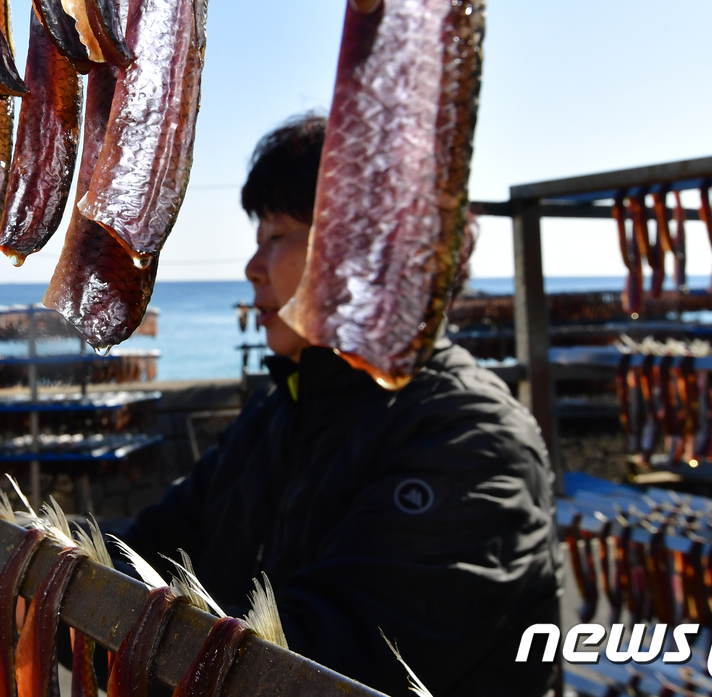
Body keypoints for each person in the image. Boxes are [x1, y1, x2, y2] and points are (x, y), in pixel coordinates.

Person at [115, 114, 561, 697]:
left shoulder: (471, 440)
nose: (252, 269)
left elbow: (319, 662)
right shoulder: (278, 413)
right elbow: (148, 551)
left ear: (363, 252)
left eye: (276, 237)